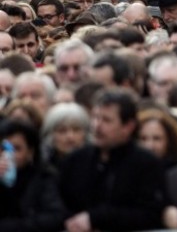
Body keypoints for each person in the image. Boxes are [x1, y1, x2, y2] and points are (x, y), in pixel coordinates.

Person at [59, 88, 167, 231]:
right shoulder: (76, 160)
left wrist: (96, 218)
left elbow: (149, 215)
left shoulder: (147, 164)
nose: (97, 126)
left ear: (128, 126)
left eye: (106, 120)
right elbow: (60, 204)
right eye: (95, 117)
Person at [0, 119, 66, 232]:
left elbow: (55, 217)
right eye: (3, 149)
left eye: (17, 149)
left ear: (30, 152)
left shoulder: (44, 177)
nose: (8, 155)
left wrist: (10, 226)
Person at [41, 103, 90, 171]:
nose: (70, 136)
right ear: (50, 135)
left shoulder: (96, 169)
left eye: (76, 129)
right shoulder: (41, 171)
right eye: (62, 131)